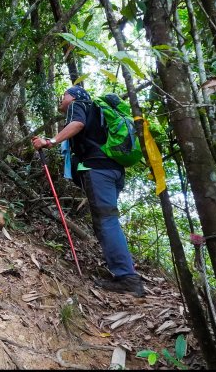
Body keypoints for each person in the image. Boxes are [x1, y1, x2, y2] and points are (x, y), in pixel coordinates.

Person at [32, 85, 145, 297]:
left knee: (106, 221)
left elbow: (77, 124)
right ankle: (124, 273)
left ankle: (128, 278)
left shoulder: (78, 105)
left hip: (99, 170)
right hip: (114, 171)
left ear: (75, 96)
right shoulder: (100, 113)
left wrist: (50, 141)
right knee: (107, 220)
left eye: (64, 94)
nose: (62, 99)